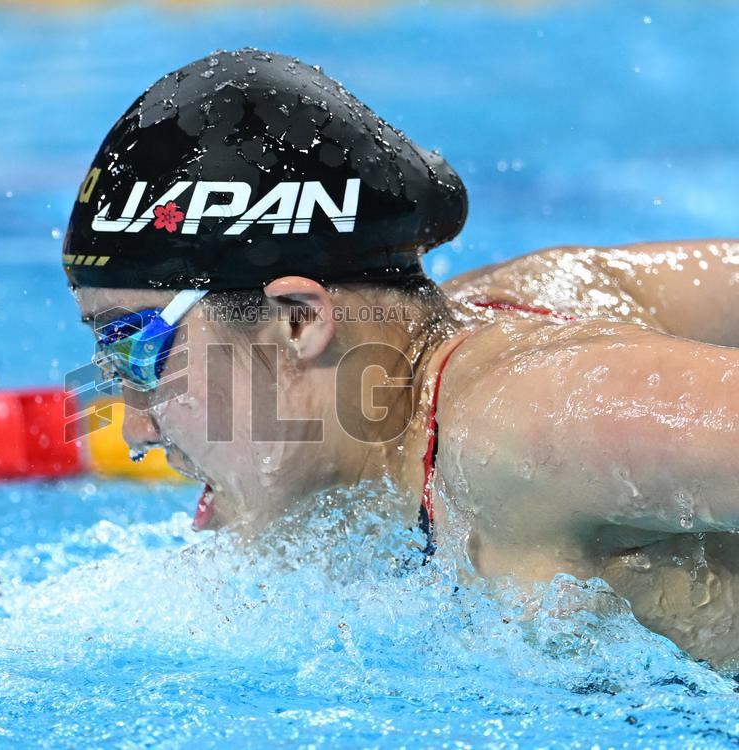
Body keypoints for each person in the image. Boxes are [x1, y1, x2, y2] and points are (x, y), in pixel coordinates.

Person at [63, 49, 739, 668]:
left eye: (136, 349)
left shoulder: (535, 425)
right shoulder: (525, 302)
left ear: (298, 322)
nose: (137, 429)